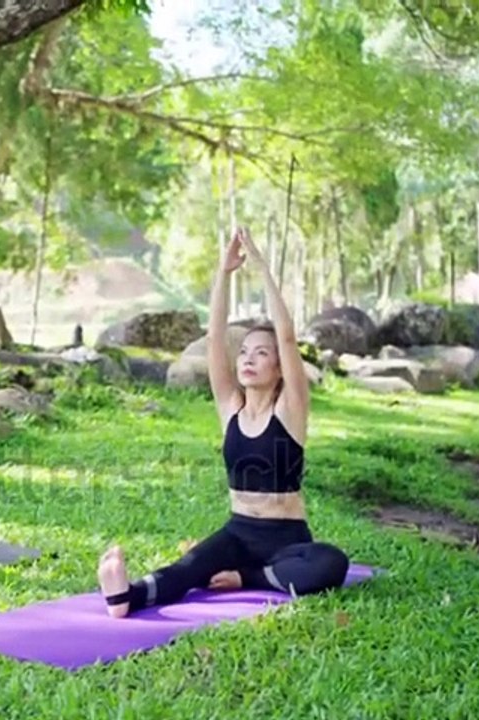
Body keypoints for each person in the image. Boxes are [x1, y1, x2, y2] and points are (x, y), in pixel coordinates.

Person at [96, 226, 350, 617]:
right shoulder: (230, 408)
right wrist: (224, 273)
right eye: (244, 352)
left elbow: (286, 337)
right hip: (238, 531)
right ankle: (125, 596)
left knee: (332, 563)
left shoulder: (290, 410)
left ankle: (249, 578)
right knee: (190, 567)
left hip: (286, 541)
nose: (247, 359)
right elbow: (215, 338)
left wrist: (262, 268)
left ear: (280, 367)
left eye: (260, 354)